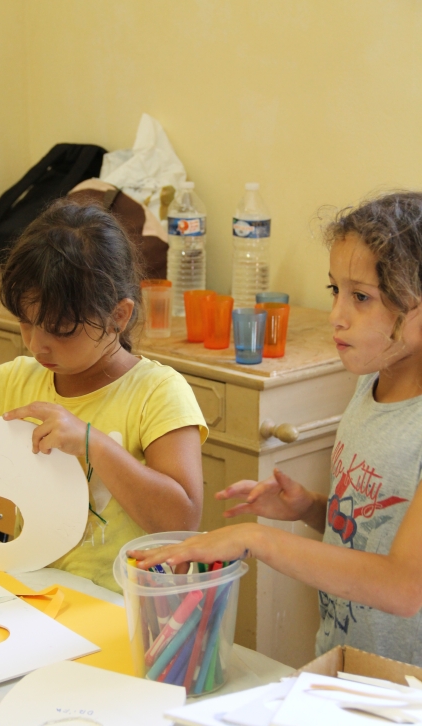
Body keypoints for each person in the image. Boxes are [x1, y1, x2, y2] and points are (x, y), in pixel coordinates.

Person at [131, 191, 422, 665]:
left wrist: (259, 539)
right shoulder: (371, 383)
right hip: (345, 662)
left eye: (362, 297)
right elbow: (375, 531)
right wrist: (310, 509)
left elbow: (405, 586)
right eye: (336, 291)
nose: (337, 315)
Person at [0, 199, 207, 593]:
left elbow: (182, 520)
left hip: (117, 609)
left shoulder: (158, 393)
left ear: (118, 316)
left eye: (60, 328)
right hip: (22, 598)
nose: (37, 345)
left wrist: (94, 444)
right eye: (26, 321)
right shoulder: (12, 382)